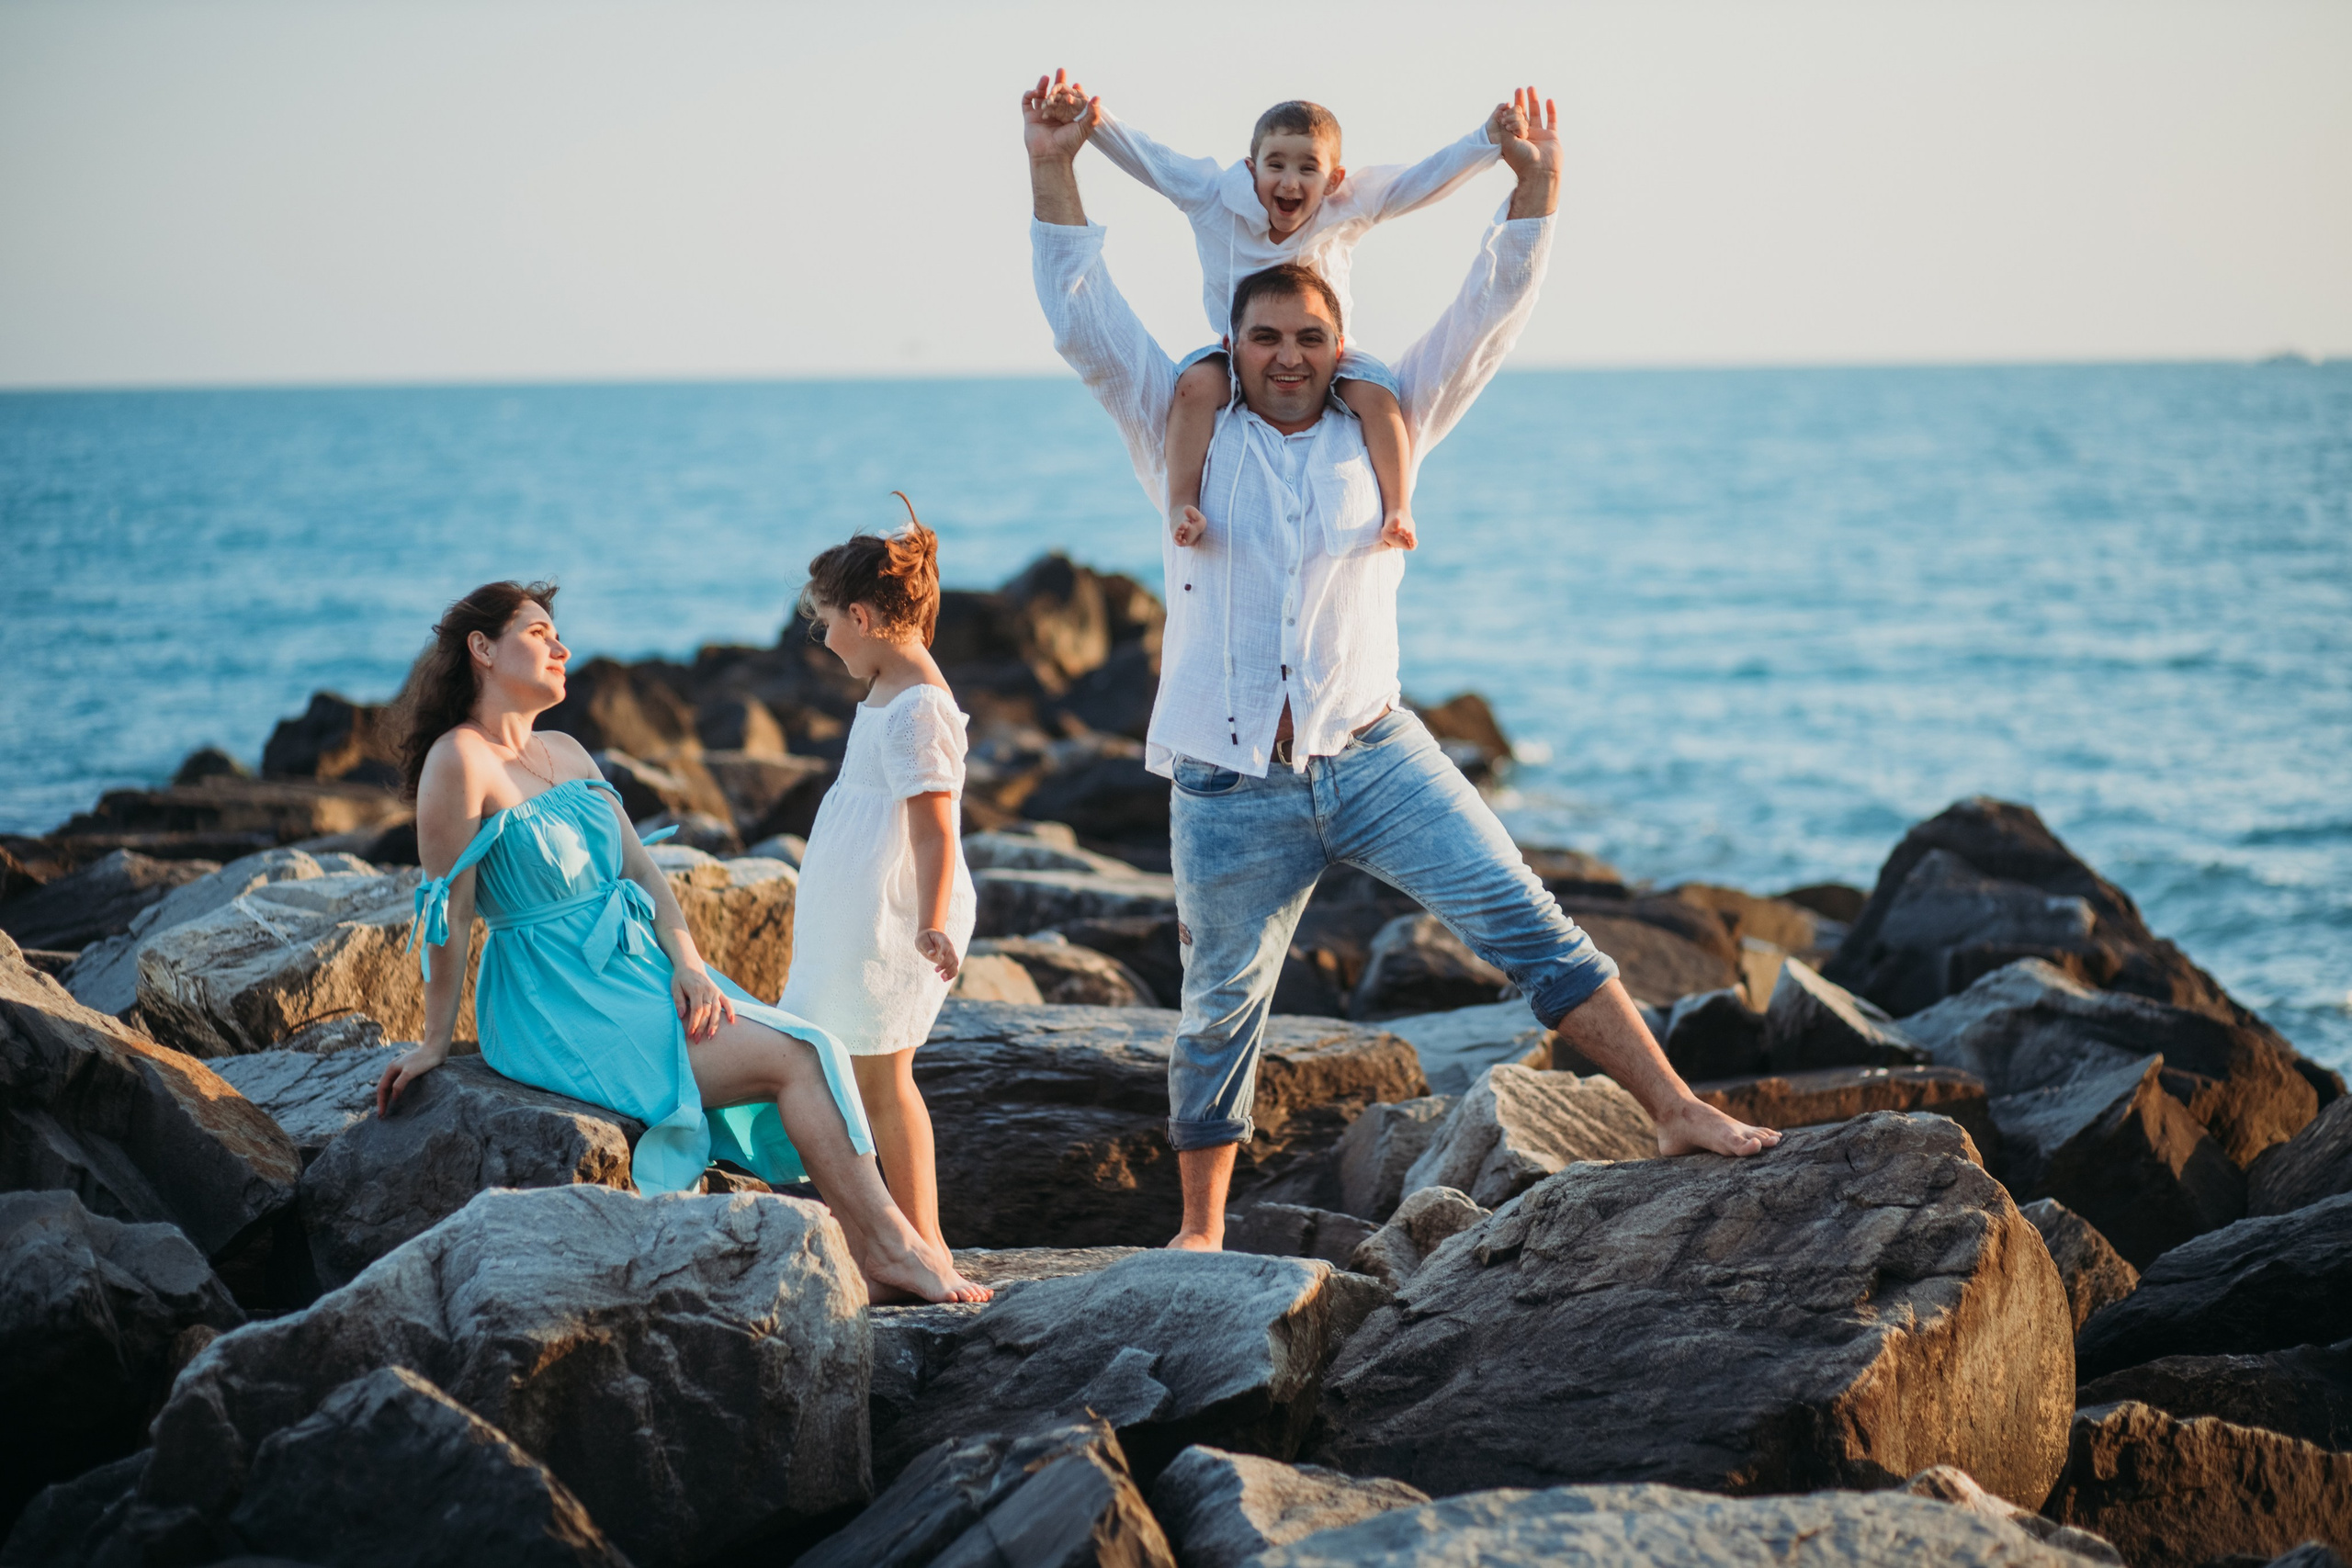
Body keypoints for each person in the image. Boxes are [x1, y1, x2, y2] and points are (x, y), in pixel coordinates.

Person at [1020, 74, 1782, 1252]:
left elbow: (1489, 311)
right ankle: (1200, 1232)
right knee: (1219, 1008)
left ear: (1341, 346)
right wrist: (1052, 163)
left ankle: (1676, 1110)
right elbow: (1081, 314)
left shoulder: (1390, 422)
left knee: (1531, 926)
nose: (1286, 357)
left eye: (1309, 338)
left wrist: (1535, 185)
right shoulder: (1177, 424)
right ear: (1232, 342)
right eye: (1264, 337)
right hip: (1227, 782)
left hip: (1375, 755)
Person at [376, 579, 988, 1304]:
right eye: (538, 633)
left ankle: (876, 1252)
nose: (561, 647)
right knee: (797, 1056)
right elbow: (447, 913)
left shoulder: (565, 749)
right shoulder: (458, 760)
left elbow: (641, 871)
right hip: (554, 996)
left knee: (813, 1044)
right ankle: (891, 1248)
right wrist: (435, 1041)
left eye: (556, 632)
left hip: (638, 968)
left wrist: (690, 964)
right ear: (482, 648)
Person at [1057, 67, 1520, 555]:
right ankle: (1180, 505)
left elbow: (1420, 181)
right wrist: (1090, 119)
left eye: (1307, 168)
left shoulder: (1348, 206)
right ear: (1251, 167)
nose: (1289, 181)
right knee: (1192, 389)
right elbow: (1150, 158)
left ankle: (1399, 508)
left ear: (1333, 179)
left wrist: (1487, 140)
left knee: (1379, 397)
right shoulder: (1213, 196)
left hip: (1329, 354)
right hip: (1238, 352)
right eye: (1275, 164)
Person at [778, 502, 976, 1266]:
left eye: (827, 623)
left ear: (860, 617)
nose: (826, 639)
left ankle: (926, 1243)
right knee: (852, 1070)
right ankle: (883, 1238)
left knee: (886, 1075)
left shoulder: (919, 706)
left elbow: (935, 829)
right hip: (854, 911)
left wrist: (933, 920)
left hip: (893, 917)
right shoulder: (893, 688)